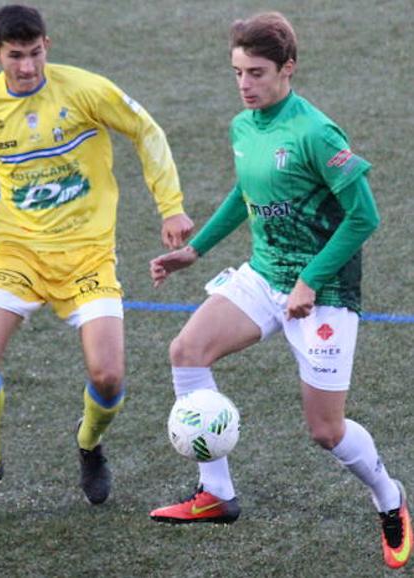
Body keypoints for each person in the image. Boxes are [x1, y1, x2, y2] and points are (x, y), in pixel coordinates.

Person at [148, 11, 412, 570]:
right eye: (237, 72)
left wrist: (311, 280)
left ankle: (390, 499)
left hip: (326, 290)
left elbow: (365, 217)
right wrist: (196, 251)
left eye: (258, 72)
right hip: (265, 275)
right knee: (186, 352)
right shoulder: (244, 126)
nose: (245, 84)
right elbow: (245, 192)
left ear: (288, 68)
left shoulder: (316, 132)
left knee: (325, 430)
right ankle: (216, 494)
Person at [0, 4, 193, 516]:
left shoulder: (84, 90)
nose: (27, 67)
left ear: (48, 44)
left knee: (109, 376)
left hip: (88, 257)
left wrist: (171, 207)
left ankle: (89, 445)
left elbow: (146, 130)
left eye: (35, 53)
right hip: (15, 253)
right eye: (15, 57)